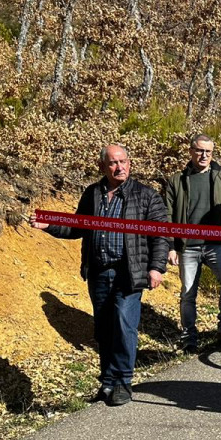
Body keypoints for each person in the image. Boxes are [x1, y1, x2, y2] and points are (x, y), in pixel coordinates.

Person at [31, 144, 168, 407]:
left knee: (124, 324)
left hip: (128, 272)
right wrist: (50, 226)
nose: (120, 167)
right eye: (114, 163)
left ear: (130, 164)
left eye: (124, 161)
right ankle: (107, 381)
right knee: (104, 329)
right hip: (98, 273)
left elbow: (160, 234)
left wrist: (156, 267)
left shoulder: (146, 196)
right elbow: (76, 227)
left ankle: (123, 382)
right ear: (102, 167)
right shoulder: (93, 194)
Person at [162, 134, 221, 353]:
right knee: (188, 293)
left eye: (208, 151)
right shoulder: (177, 180)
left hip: (216, 244)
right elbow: (168, 215)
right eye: (199, 150)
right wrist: (171, 246)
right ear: (190, 151)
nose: (204, 155)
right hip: (187, 246)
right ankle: (189, 337)